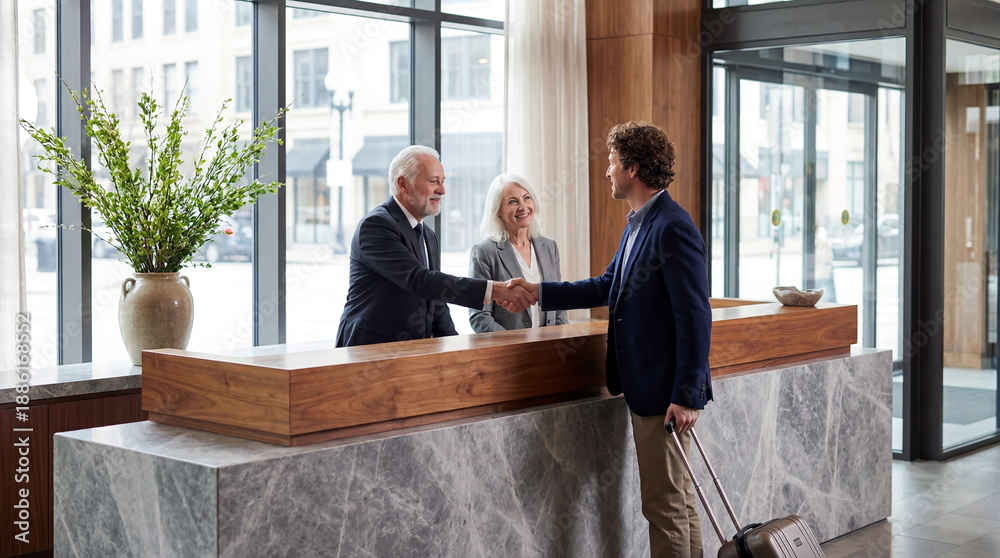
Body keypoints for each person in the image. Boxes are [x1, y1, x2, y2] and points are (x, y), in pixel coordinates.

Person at [508, 123, 713, 557]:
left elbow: (695, 316)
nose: (607, 172)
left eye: (612, 163)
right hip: (650, 390)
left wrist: (688, 394)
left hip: (664, 395)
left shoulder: (671, 226)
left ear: (632, 169)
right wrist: (539, 290)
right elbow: (607, 285)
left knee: (664, 506)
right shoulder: (641, 223)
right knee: (676, 502)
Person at [335, 146, 535, 347]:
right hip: (370, 349)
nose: (442, 190)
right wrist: (496, 290)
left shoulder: (427, 234)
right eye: (433, 181)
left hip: (412, 352)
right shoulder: (376, 226)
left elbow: (436, 299)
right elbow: (419, 280)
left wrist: (455, 350)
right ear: (403, 184)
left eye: (443, 181)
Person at [468, 174, 569, 332]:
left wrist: (558, 342)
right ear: (498, 210)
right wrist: (513, 347)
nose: (523, 207)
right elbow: (479, 316)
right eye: (512, 201)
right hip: (510, 351)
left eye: (526, 198)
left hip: (549, 347)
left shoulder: (549, 246)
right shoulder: (484, 252)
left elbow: (559, 303)